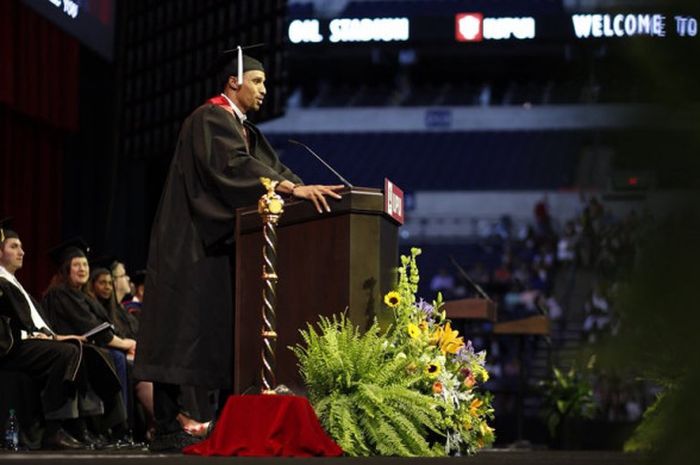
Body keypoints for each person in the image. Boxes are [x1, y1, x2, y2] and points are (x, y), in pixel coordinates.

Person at [134, 50, 344, 450]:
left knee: (209, 333)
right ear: (234, 81)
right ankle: (165, 426)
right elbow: (232, 167)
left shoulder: (244, 128)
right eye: (257, 81)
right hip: (190, 242)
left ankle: (221, 417)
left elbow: (273, 169)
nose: (264, 90)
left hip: (219, 245)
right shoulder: (210, 118)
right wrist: (288, 189)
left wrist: (302, 191)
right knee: (178, 331)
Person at [0, 224, 125, 449]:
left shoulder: (15, 283)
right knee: (68, 352)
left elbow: (38, 322)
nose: (22, 252)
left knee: (89, 352)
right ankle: (56, 429)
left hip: (38, 339)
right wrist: (32, 335)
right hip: (16, 344)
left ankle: (92, 427)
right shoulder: (1, 282)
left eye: (22, 247)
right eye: (14, 246)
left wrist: (56, 336)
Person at [42, 240, 137, 442]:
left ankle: (120, 427)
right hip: (70, 346)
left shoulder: (83, 296)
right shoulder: (60, 293)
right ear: (66, 269)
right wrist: (124, 343)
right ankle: (113, 428)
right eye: (77, 264)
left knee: (118, 359)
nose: (83, 269)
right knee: (115, 357)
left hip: (88, 346)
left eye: (85, 264)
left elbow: (102, 323)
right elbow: (86, 324)